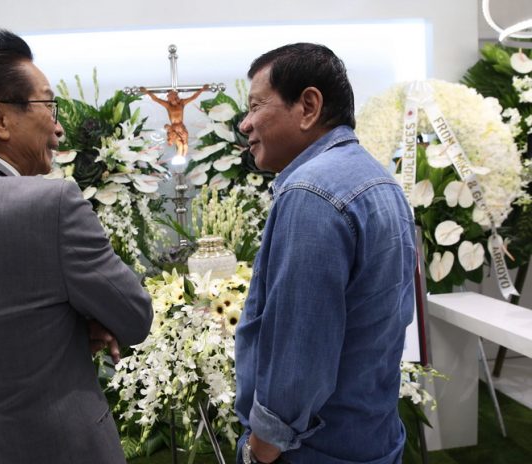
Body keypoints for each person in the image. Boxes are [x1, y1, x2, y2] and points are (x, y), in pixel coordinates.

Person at [0, 30, 153, 464]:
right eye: (48, 106)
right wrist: (79, 325)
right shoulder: (50, 204)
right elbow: (133, 316)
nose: (57, 127)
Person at [234, 43, 416, 464]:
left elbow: (300, 347)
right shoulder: (377, 179)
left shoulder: (312, 192)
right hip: (370, 433)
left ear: (309, 106)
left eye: (256, 106)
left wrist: (261, 449)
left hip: (314, 450)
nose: (245, 124)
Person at [140, 85, 209, 156]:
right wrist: (147, 92)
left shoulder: (182, 103)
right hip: (174, 129)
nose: (168, 97)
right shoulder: (168, 105)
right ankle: (179, 156)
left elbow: (193, 97)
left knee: (185, 144)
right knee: (180, 145)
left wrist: (202, 89)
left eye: (169, 95)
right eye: (168, 96)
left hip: (181, 128)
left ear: (175, 96)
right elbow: (156, 99)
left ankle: (183, 156)